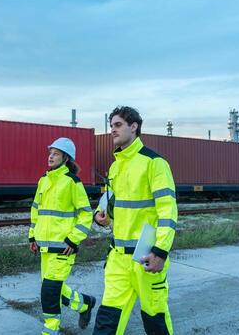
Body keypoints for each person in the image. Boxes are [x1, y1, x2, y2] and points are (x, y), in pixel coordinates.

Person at [93, 106, 178, 335]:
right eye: (111, 126)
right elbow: (116, 209)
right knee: (106, 324)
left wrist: (160, 252)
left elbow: (168, 213)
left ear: (134, 127)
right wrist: (103, 218)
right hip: (118, 259)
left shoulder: (154, 163)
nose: (113, 130)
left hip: (146, 258)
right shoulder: (115, 166)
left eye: (118, 125)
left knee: (155, 322)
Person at [29, 137, 97, 335]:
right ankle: (85, 304)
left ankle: (50, 330)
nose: (51, 156)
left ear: (66, 158)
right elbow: (36, 210)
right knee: (54, 288)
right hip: (44, 246)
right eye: (50, 152)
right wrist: (32, 236)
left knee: (49, 291)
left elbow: (85, 213)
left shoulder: (72, 182)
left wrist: (73, 239)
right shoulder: (43, 180)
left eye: (56, 153)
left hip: (64, 247)